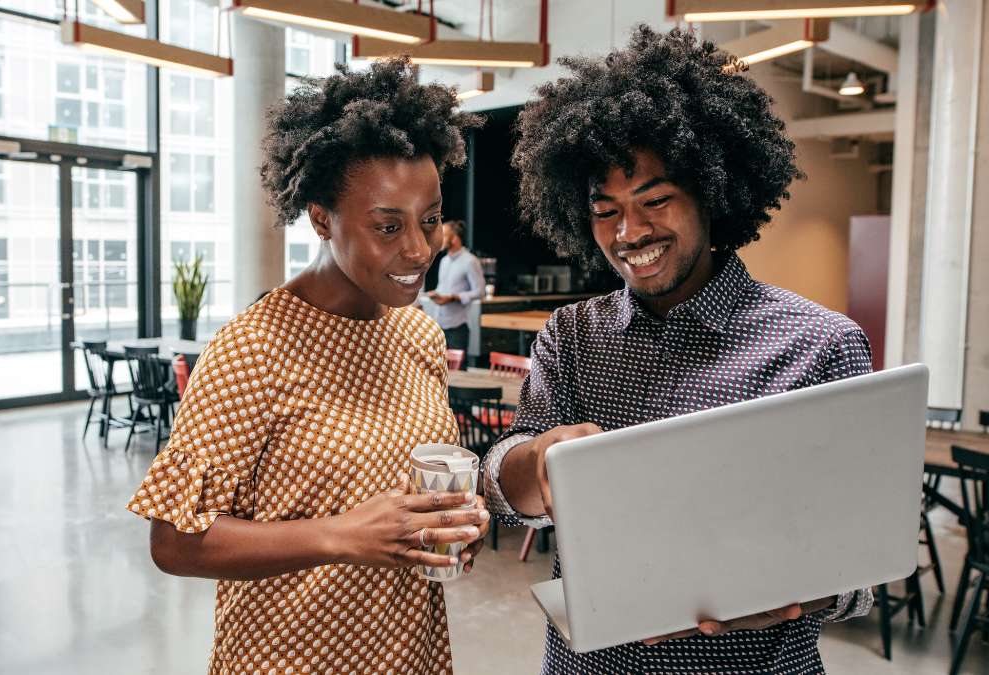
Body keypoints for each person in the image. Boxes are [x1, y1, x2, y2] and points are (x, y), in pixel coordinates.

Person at [484, 26, 874, 675]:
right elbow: (502, 485)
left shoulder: (820, 344)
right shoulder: (573, 336)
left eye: (655, 200)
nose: (629, 232)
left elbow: (860, 568)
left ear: (712, 194)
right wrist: (533, 463)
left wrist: (788, 595)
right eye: (604, 210)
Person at [127, 60, 489, 675]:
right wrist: (341, 534)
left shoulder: (418, 334)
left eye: (429, 220)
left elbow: (411, 499)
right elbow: (174, 542)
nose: (417, 250)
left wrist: (457, 522)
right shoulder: (254, 349)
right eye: (387, 226)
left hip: (413, 656)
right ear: (321, 218)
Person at [426, 219, 485, 367]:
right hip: (439, 323)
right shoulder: (444, 261)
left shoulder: (470, 261)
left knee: (458, 372)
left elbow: (480, 292)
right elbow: (443, 288)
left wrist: (453, 298)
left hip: (458, 325)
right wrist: (437, 294)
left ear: (454, 238)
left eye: (443, 236)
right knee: (439, 369)